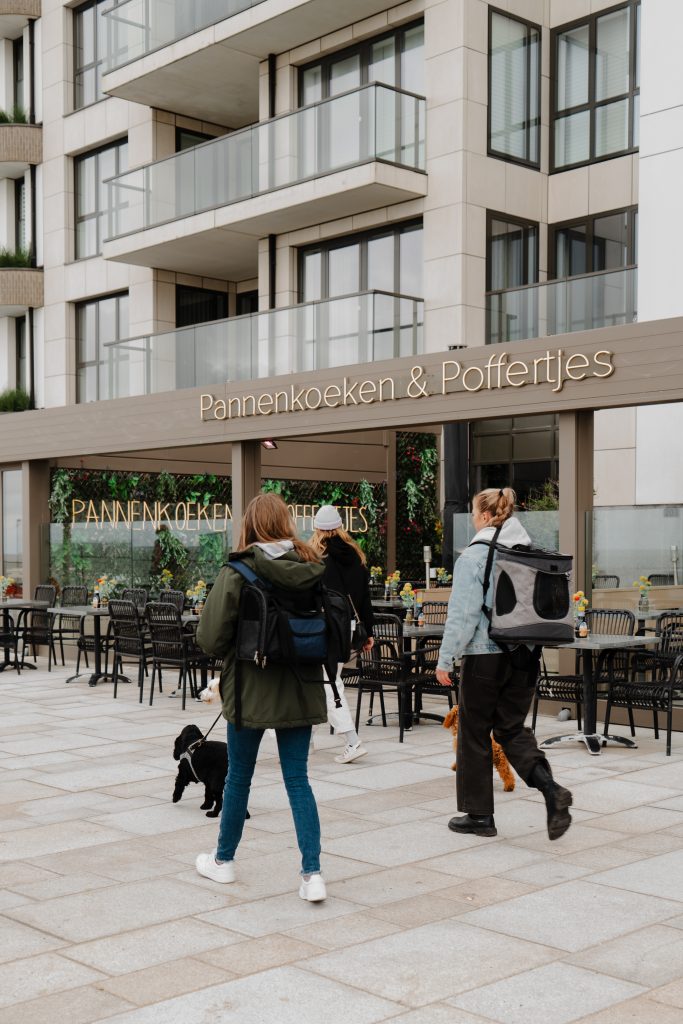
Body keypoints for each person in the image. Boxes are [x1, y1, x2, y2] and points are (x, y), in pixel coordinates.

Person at [195, 493, 328, 901]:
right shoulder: (311, 568)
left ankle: (224, 862)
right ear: (287, 523)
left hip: (251, 689)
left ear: (250, 525)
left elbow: (210, 638)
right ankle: (312, 875)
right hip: (301, 689)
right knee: (298, 779)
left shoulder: (238, 570)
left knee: (238, 778)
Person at [435, 487, 572, 841]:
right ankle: (551, 789)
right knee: (510, 729)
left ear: (482, 516)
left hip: (485, 655)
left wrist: (445, 659)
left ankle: (479, 817)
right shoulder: (526, 551)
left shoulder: (474, 557)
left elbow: (463, 615)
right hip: (527, 655)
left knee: (474, 731)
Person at [310, 505, 375, 764]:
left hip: (323, 629)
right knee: (321, 681)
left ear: (318, 529)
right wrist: (368, 633)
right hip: (347, 629)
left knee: (328, 683)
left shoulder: (316, 559)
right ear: (339, 527)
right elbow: (364, 600)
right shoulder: (356, 556)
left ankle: (352, 740)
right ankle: (307, 741)